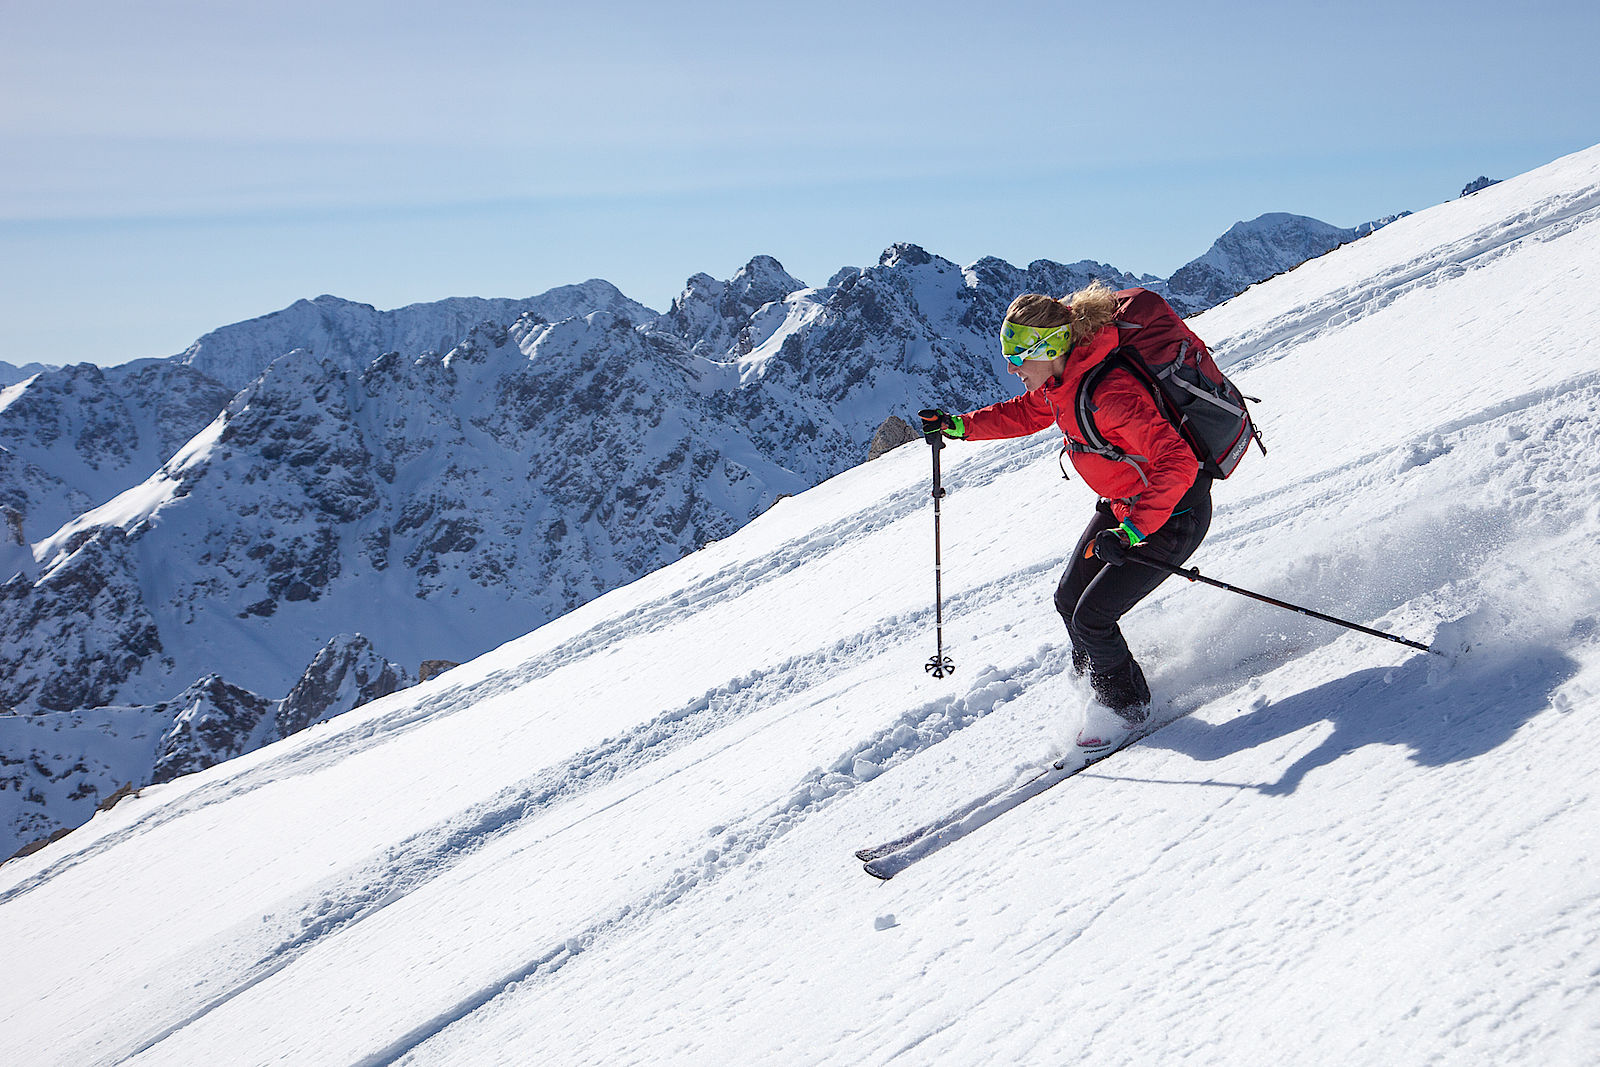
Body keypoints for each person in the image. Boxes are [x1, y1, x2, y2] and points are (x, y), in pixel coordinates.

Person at [921, 281, 1213, 755]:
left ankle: (1124, 709)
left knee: (1094, 616)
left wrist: (1135, 529)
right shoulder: (1065, 382)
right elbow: (1026, 414)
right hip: (1123, 508)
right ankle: (1101, 683)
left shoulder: (1109, 393)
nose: (1012, 369)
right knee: (1068, 598)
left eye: (1018, 357)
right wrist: (961, 426)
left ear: (1049, 348)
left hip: (1170, 515)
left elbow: (1178, 462)